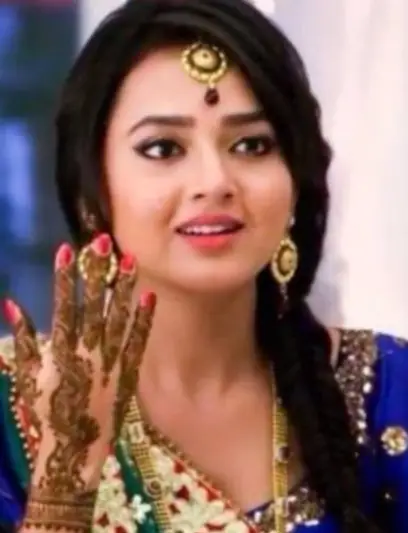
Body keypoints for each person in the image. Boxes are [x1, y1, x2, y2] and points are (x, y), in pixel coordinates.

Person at [0, 0, 407, 531]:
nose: (214, 181)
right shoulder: (18, 406)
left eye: (252, 145)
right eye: (163, 148)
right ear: (91, 195)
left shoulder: (389, 393)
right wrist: (64, 488)